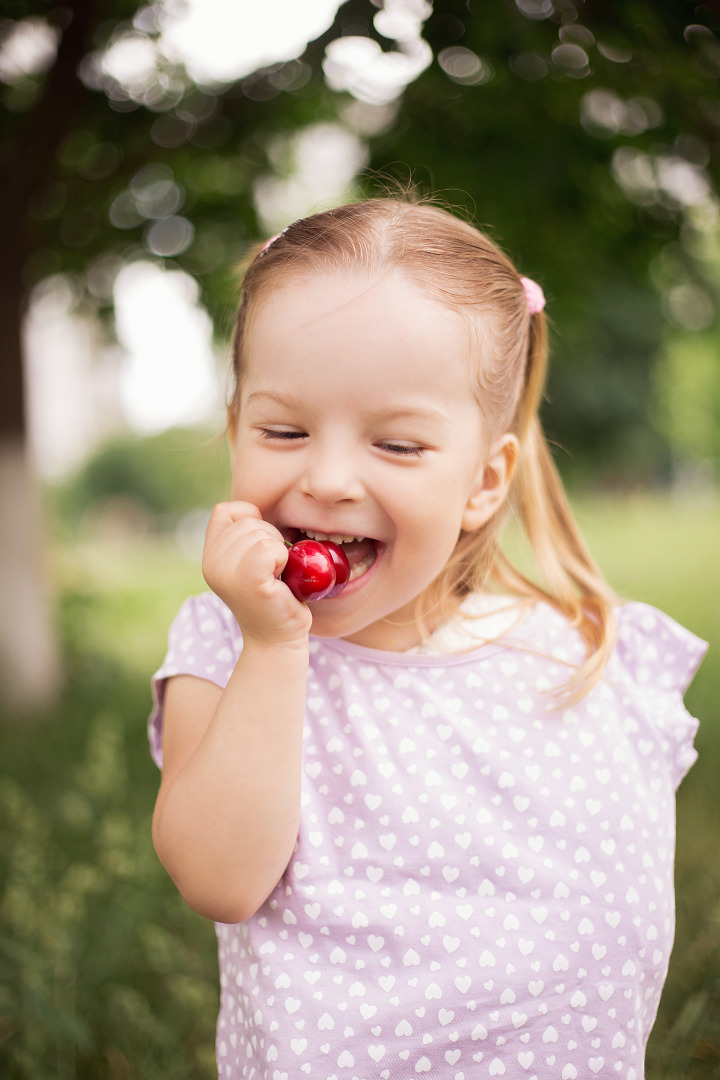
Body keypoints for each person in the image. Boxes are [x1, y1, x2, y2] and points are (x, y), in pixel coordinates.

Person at [149, 198, 706, 1080]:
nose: (327, 480)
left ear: (484, 483)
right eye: (283, 431)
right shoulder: (228, 647)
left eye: (398, 445)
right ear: (235, 433)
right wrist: (273, 646)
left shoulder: (586, 660)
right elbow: (219, 879)